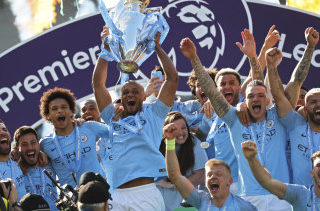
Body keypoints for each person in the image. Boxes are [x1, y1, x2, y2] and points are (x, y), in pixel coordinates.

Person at [180, 37, 292, 210]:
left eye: (232, 83)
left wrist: (256, 54)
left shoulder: (246, 111)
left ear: (240, 90)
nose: (227, 87)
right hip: (224, 187)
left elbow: (257, 81)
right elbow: (199, 133)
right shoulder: (213, 116)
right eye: (222, 84)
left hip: (245, 184)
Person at [92, 26, 178, 210]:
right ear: (121, 98)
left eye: (134, 91)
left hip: (145, 192)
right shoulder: (112, 116)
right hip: (116, 194)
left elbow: (172, 78)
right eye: (125, 92)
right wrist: (105, 50)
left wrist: (157, 47)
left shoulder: (154, 113)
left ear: (143, 96)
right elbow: (98, 84)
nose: (129, 94)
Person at [266, 45, 320, 196]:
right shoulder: (294, 125)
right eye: (313, 102)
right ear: (305, 108)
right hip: (298, 199)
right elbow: (280, 95)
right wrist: (271, 66)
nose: (318, 104)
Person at [163, 122, 257, 210]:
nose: (213, 177)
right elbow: (175, 176)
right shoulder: (201, 200)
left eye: (218, 174)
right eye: (209, 175)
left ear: (229, 181)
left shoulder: (244, 207)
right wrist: (170, 142)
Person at [242, 141, 320, 210]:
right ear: (312, 173)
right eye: (319, 165)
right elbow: (268, 182)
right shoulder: (300, 194)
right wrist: (251, 159)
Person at [39, 87, 109, 188]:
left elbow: (117, 131)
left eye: (63, 107)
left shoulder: (89, 127)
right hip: (73, 201)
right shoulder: (45, 144)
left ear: (72, 111)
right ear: (48, 115)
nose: (59, 111)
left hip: (101, 192)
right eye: (54, 109)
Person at [157, 111, 207, 210]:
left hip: (185, 204)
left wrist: (171, 185)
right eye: (174, 129)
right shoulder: (158, 144)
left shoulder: (194, 142)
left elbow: (201, 176)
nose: (180, 133)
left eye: (183, 128)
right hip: (161, 203)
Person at [14, 126, 58, 211]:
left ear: (38, 144)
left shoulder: (50, 161)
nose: (30, 147)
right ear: (17, 148)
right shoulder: (15, 172)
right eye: (24, 144)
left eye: (33, 142)